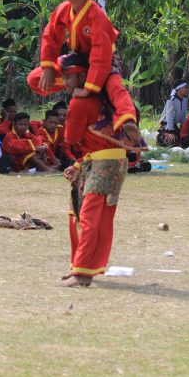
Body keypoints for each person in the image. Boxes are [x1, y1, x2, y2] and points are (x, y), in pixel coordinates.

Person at [27, 0, 139, 141]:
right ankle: (85, 86)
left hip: (105, 60)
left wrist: (88, 89)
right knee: (36, 78)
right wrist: (48, 67)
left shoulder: (97, 15)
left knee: (114, 85)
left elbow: (100, 54)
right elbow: (50, 36)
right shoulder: (64, 9)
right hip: (78, 58)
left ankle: (127, 119)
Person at [59, 51, 129, 287]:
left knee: (89, 216)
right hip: (106, 161)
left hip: (104, 163)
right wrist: (79, 165)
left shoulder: (82, 101)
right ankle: (80, 266)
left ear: (82, 76)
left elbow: (72, 136)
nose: (65, 83)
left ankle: (83, 272)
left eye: (68, 77)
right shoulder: (104, 97)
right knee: (81, 212)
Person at [157, 81, 188, 147]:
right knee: (171, 140)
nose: (187, 90)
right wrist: (170, 132)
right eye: (185, 88)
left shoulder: (185, 100)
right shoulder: (171, 100)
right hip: (166, 125)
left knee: (185, 139)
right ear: (179, 89)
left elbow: (183, 116)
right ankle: (162, 135)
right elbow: (169, 117)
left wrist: (183, 129)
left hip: (174, 125)